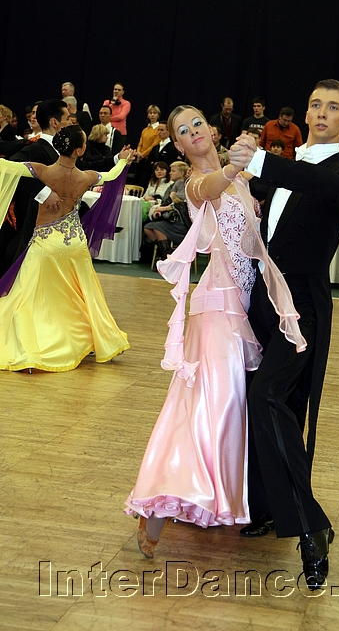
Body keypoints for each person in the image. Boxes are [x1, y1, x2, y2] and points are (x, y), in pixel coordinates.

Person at [125, 105, 304, 559]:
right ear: (178, 145)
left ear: (210, 128)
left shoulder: (241, 181)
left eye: (197, 124)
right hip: (218, 309)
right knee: (210, 407)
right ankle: (157, 508)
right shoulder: (197, 183)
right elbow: (211, 186)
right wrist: (234, 166)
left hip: (245, 308)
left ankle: (202, 498)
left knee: (225, 409)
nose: (193, 132)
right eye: (183, 131)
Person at [228, 79, 339, 591]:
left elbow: (327, 187)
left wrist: (261, 161)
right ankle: (266, 506)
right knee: (261, 402)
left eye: (333, 107)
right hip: (263, 303)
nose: (322, 112)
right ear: (305, 113)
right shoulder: (287, 168)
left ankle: (311, 523)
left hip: (302, 308)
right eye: (315, 104)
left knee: (268, 396)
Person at [0, 125, 132, 371]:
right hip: (75, 245)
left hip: (46, 244)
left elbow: (6, 166)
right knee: (82, 294)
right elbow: (112, 175)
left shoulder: (41, 171)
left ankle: (33, 346)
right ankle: (89, 338)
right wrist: (123, 161)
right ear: (79, 150)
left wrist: (42, 192)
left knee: (28, 296)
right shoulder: (86, 177)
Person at [143, 160, 190, 259]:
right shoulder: (173, 185)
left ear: (181, 173)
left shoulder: (184, 185)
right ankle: (166, 251)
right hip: (170, 217)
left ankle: (165, 255)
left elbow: (181, 204)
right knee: (147, 228)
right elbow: (167, 201)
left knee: (158, 228)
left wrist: (163, 208)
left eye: (173, 171)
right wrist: (159, 210)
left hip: (181, 220)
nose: (170, 173)